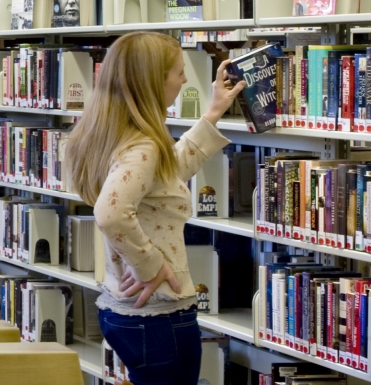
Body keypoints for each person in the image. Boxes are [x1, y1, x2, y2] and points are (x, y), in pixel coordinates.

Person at [64, 32, 244, 385]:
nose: (185, 79)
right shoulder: (142, 146)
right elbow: (110, 213)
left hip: (129, 311)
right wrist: (150, 264)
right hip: (158, 314)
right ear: (152, 82)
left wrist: (212, 113)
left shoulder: (120, 136)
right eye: (178, 72)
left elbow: (164, 176)